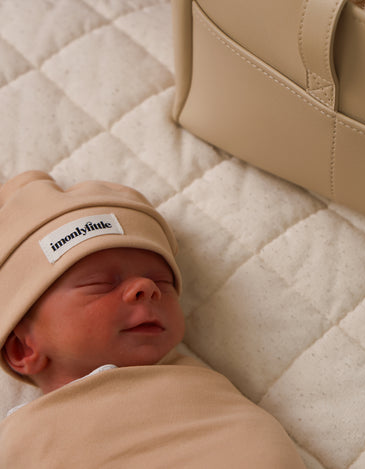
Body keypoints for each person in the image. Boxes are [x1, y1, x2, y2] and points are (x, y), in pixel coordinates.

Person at [0, 171, 305, 468]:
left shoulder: (204, 398)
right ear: (23, 349)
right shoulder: (25, 441)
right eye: (101, 283)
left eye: (162, 281)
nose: (146, 288)